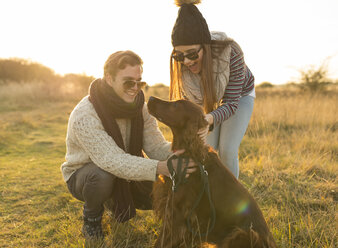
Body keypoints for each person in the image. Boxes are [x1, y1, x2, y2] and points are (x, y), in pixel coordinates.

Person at [60, 50, 196, 240]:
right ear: (109, 78)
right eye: (128, 82)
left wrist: (183, 151)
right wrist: (161, 168)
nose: (135, 88)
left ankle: (181, 224)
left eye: (139, 82)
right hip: (84, 176)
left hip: (122, 169)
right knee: (102, 176)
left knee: (165, 185)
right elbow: (111, 160)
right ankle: (91, 219)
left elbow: (156, 147)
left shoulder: (140, 106)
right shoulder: (86, 114)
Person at [169, 0, 255, 179]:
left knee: (227, 149)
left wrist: (208, 119)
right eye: (179, 55)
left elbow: (230, 104)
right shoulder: (182, 65)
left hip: (239, 96)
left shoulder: (231, 53)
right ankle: (209, 193)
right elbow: (191, 105)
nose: (186, 62)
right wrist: (199, 123)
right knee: (207, 147)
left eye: (192, 54)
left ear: (205, 47)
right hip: (209, 99)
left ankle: (231, 199)